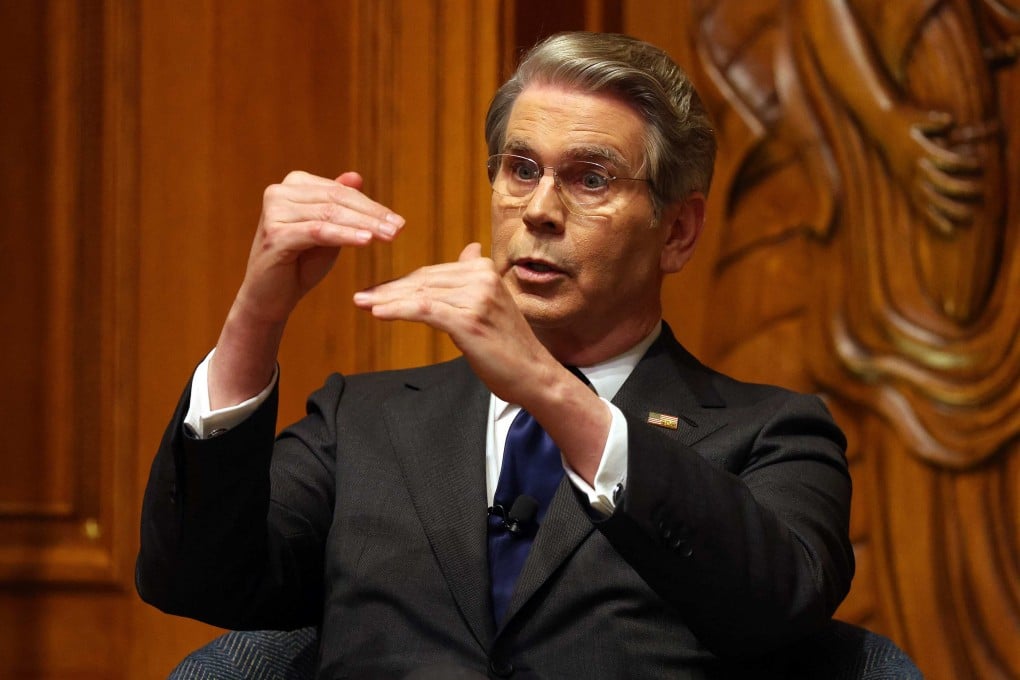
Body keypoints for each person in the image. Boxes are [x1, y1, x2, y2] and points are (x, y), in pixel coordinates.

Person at [137, 31, 853, 679]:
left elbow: (777, 611)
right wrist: (256, 315)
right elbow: (197, 579)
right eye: (521, 169)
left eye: (590, 178)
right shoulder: (363, 424)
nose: (540, 209)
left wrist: (548, 389)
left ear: (678, 232)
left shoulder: (771, 435)